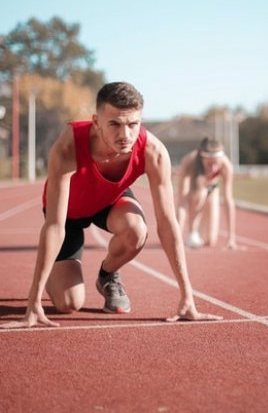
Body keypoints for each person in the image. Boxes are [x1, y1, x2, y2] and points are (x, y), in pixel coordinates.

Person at [1, 82, 221, 329]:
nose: (125, 135)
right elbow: (54, 225)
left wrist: (187, 298)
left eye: (132, 124)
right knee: (68, 304)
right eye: (114, 124)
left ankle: (107, 275)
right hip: (68, 213)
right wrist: (33, 304)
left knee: (136, 230)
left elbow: (168, 223)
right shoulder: (68, 146)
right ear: (96, 122)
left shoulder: (154, 152)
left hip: (109, 202)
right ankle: (55, 274)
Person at [177, 137, 236, 249]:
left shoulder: (226, 166)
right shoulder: (189, 162)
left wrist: (231, 238)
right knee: (199, 196)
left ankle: (201, 232)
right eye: (209, 164)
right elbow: (182, 202)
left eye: (216, 164)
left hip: (213, 188)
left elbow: (229, 201)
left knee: (210, 240)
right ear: (202, 159)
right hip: (195, 189)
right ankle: (193, 232)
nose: (213, 169)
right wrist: (177, 236)